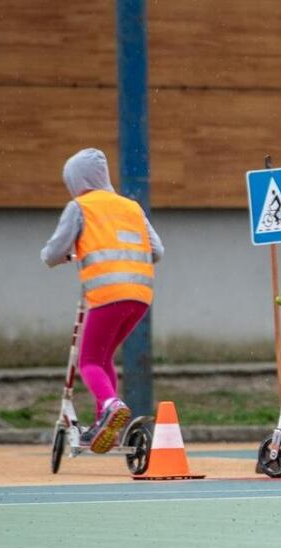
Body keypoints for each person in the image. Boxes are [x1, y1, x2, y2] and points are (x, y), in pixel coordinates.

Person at [40, 148, 163, 453]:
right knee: (104, 356)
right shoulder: (131, 207)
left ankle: (109, 405)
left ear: (75, 180)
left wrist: (60, 256)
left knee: (89, 361)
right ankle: (102, 423)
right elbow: (157, 251)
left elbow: (54, 253)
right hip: (140, 296)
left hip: (107, 293)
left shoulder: (80, 207)